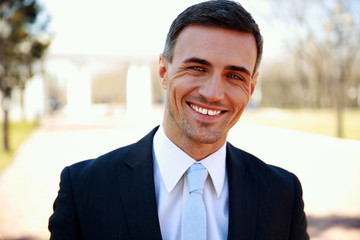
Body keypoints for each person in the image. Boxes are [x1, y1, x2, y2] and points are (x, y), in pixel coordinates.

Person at [48, 0, 309, 239]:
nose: (213, 94)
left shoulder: (283, 195)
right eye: (197, 68)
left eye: (235, 76)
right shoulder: (84, 189)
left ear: (251, 89)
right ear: (163, 72)